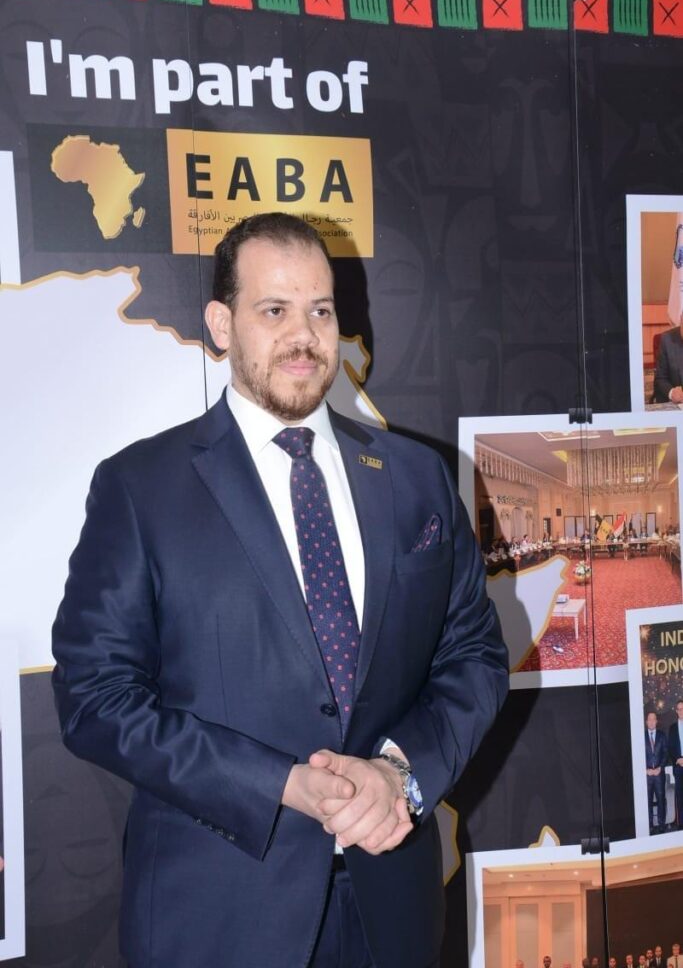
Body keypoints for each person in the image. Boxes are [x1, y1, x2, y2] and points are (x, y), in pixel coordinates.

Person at [51, 213, 509, 968]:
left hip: (392, 907)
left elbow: (474, 657)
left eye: (320, 310)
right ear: (220, 324)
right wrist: (279, 786)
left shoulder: (416, 477)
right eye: (274, 310)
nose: (304, 336)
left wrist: (399, 774)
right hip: (217, 918)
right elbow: (94, 698)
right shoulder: (140, 489)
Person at [645, 710, 668, 832]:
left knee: (661, 800)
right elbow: (638, 754)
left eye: (654, 719)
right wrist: (645, 769)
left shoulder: (662, 735)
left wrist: (660, 767)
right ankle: (649, 826)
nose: (652, 721)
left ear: (656, 721)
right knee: (647, 801)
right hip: (647, 775)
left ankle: (661, 825)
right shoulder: (641, 736)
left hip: (659, 774)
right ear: (646, 722)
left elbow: (665, 753)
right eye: (649, 719)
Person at [654, 315, 683, 404]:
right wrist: (672, 392)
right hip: (678, 404)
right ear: (681, 320)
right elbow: (660, 378)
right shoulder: (667, 340)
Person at [669, 700, 683, 829]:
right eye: (679, 709)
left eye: (682, 708)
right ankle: (681, 823)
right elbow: (671, 747)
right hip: (678, 766)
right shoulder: (672, 728)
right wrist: (678, 759)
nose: (681, 711)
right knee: (680, 795)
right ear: (676, 711)